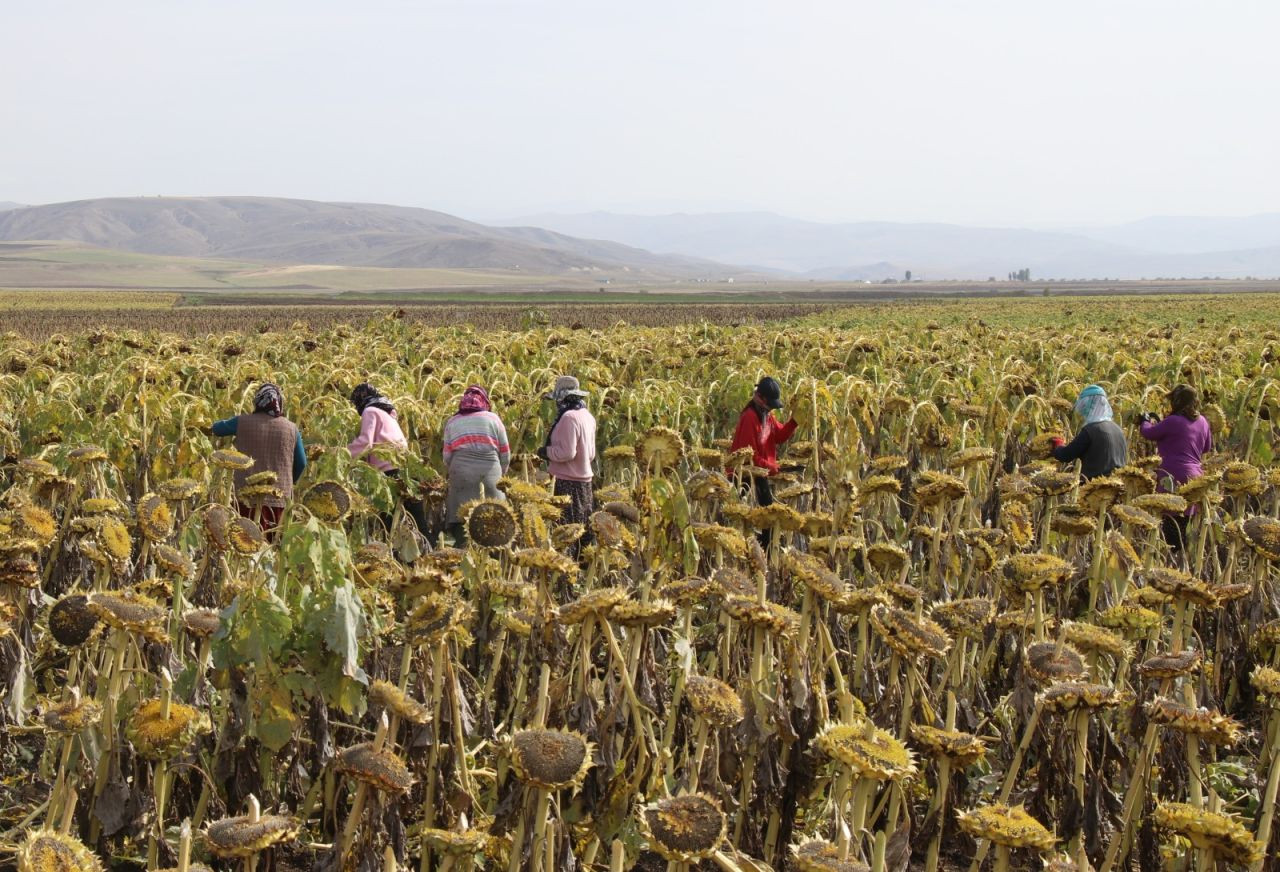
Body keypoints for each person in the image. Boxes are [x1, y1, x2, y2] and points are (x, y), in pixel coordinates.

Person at [211, 383, 306, 532]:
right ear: (279, 402)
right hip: (278, 499)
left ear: (257, 401)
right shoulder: (291, 428)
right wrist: (288, 482)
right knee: (271, 546)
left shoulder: (242, 422)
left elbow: (217, 429)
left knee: (243, 541)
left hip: (244, 499)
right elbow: (302, 463)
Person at [348, 383, 428, 536]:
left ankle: (393, 555)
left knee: (389, 519)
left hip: (388, 471)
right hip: (405, 469)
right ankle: (427, 553)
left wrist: (344, 453)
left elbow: (366, 442)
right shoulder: (387, 413)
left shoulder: (369, 411)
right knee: (416, 519)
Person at [1139, 384, 1213, 550]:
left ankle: (1170, 559)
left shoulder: (1173, 421)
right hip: (1195, 478)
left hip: (1172, 475)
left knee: (1171, 522)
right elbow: (1207, 447)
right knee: (1185, 521)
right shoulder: (1203, 421)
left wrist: (1144, 421)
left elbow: (1148, 433)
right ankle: (1183, 560)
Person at [729, 377, 798, 547]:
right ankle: (757, 548)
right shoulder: (750, 417)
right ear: (763, 399)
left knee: (768, 514)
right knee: (747, 516)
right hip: (742, 476)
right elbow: (747, 456)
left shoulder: (766, 415)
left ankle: (766, 549)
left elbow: (779, 436)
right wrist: (772, 467)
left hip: (759, 472)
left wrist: (795, 421)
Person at [441, 385, 510, 544]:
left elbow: (446, 457)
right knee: (494, 521)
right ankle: (492, 561)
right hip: (490, 473)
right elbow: (505, 453)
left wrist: (454, 470)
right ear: (484, 401)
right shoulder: (493, 419)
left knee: (462, 521)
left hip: (460, 474)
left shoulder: (452, 421)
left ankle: (463, 558)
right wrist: (502, 473)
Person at [536, 376, 596, 554]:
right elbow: (591, 454)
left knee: (565, 533)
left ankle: (565, 575)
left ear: (563, 399)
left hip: (565, 482)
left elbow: (567, 453)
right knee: (582, 529)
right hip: (585, 482)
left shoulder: (568, 418)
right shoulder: (587, 416)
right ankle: (579, 573)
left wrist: (546, 452)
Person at [1050, 384, 1128, 480]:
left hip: (1095, 488)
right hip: (1118, 483)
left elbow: (1066, 455)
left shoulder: (1090, 430)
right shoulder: (1118, 429)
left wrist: (1058, 446)